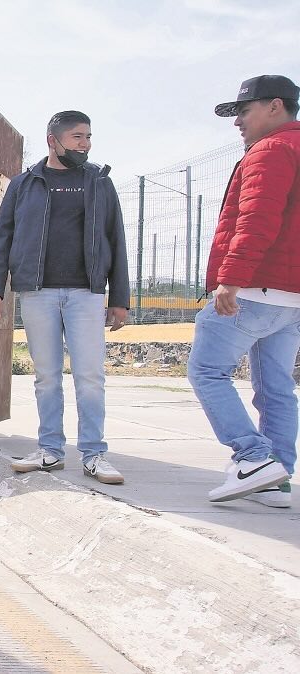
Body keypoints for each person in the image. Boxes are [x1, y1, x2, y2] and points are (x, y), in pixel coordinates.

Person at [0, 110, 129, 486]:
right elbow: (1, 240)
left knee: (90, 377)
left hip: (86, 294)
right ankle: (49, 451)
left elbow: (117, 240)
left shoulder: (99, 182)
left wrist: (120, 298)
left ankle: (95, 455)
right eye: (78, 137)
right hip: (37, 293)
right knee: (46, 377)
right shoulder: (24, 184)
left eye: (88, 137)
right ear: (54, 140)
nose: (86, 144)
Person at [188, 75, 300, 506]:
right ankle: (277, 477)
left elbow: (256, 221)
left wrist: (231, 278)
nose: (237, 122)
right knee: (276, 388)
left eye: (243, 111)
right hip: (292, 299)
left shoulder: (271, 150)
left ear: (275, 107)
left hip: (255, 288)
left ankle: (253, 459)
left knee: (206, 371)